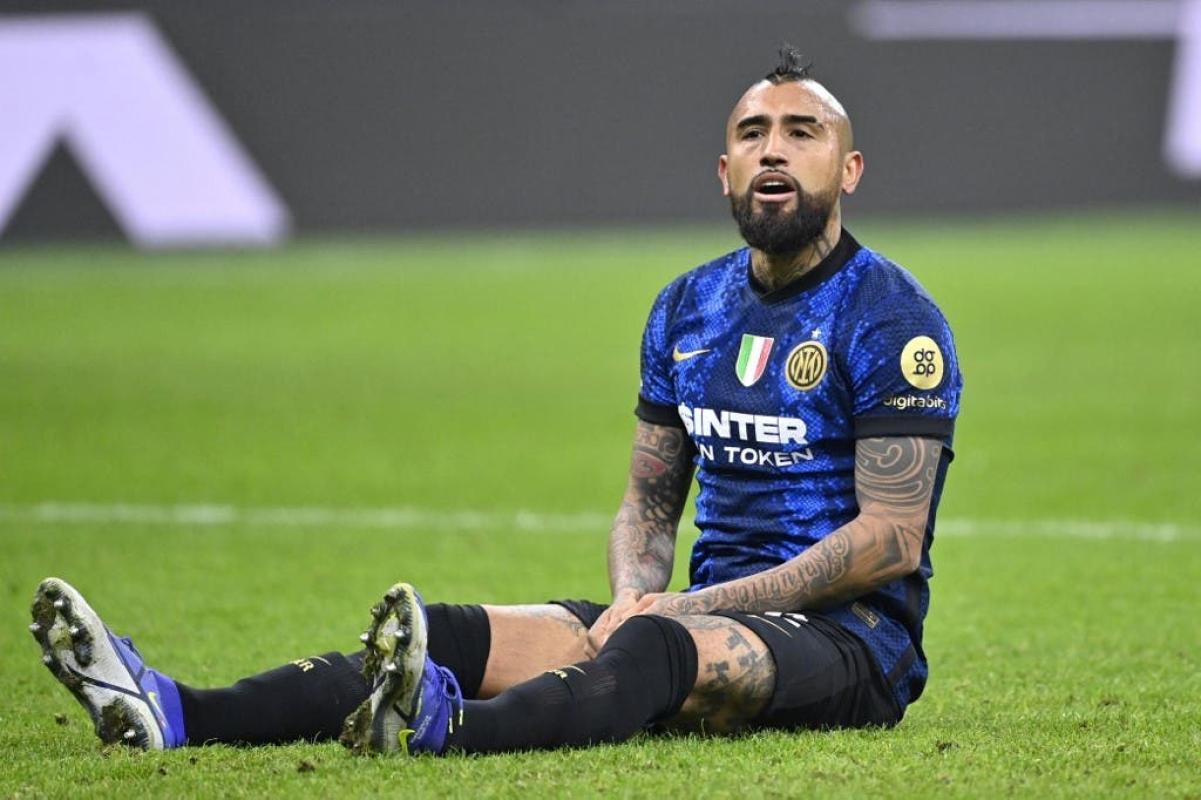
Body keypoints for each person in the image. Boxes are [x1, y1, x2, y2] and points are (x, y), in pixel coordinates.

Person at [31, 47, 962, 755]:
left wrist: (678, 610)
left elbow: (890, 539)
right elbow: (648, 501)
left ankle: (452, 729)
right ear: (723, 172)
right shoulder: (689, 307)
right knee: (441, 632)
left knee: (647, 654)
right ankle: (176, 711)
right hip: (689, 613)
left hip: (850, 641)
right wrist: (635, 596)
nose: (773, 149)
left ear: (848, 170)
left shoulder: (890, 319)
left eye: (802, 132)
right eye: (752, 133)